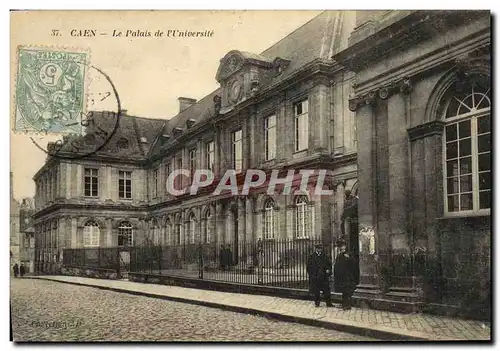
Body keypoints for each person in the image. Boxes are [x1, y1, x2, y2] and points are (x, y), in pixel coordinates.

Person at [334, 242, 359, 310]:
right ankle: (344, 304)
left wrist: (349, 258)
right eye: (340, 247)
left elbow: (354, 264)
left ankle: (347, 305)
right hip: (341, 277)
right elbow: (336, 266)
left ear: (345, 247)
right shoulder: (339, 256)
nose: (341, 248)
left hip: (348, 277)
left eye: (343, 247)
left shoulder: (349, 255)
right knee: (344, 291)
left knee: (348, 291)